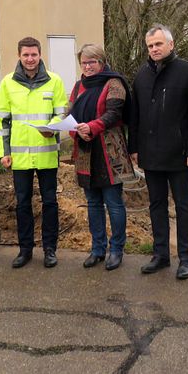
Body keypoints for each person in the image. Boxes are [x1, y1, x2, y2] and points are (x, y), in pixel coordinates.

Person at [129, 24, 188, 280]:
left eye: (159, 44)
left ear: (171, 45)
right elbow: (135, 116)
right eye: (150, 45)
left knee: (183, 205)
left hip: (180, 154)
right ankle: (160, 255)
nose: (154, 49)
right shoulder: (141, 75)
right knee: (156, 205)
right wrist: (134, 148)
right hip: (150, 154)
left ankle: (186, 258)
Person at [0, 37, 68, 268]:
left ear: (40, 55)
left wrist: (53, 127)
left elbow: (62, 114)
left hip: (47, 154)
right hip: (19, 157)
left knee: (50, 202)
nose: (30, 59)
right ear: (19, 55)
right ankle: (25, 250)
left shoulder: (54, 81)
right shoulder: (7, 83)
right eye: (25, 55)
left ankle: (50, 250)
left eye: (34, 55)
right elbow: (1, 121)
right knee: (22, 204)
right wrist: (2, 152)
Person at [69, 43, 134, 271]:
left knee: (114, 204)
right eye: (84, 62)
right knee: (93, 203)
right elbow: (70, 115)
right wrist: (73, 129)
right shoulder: (78, 87)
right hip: (86, 152)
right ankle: (97, 249)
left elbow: (113, 113)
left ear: (101, 62)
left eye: (92, 62)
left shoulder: (114, 83)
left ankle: (116, 250)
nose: (87, 66)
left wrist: (92, 127)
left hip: (110, 152)